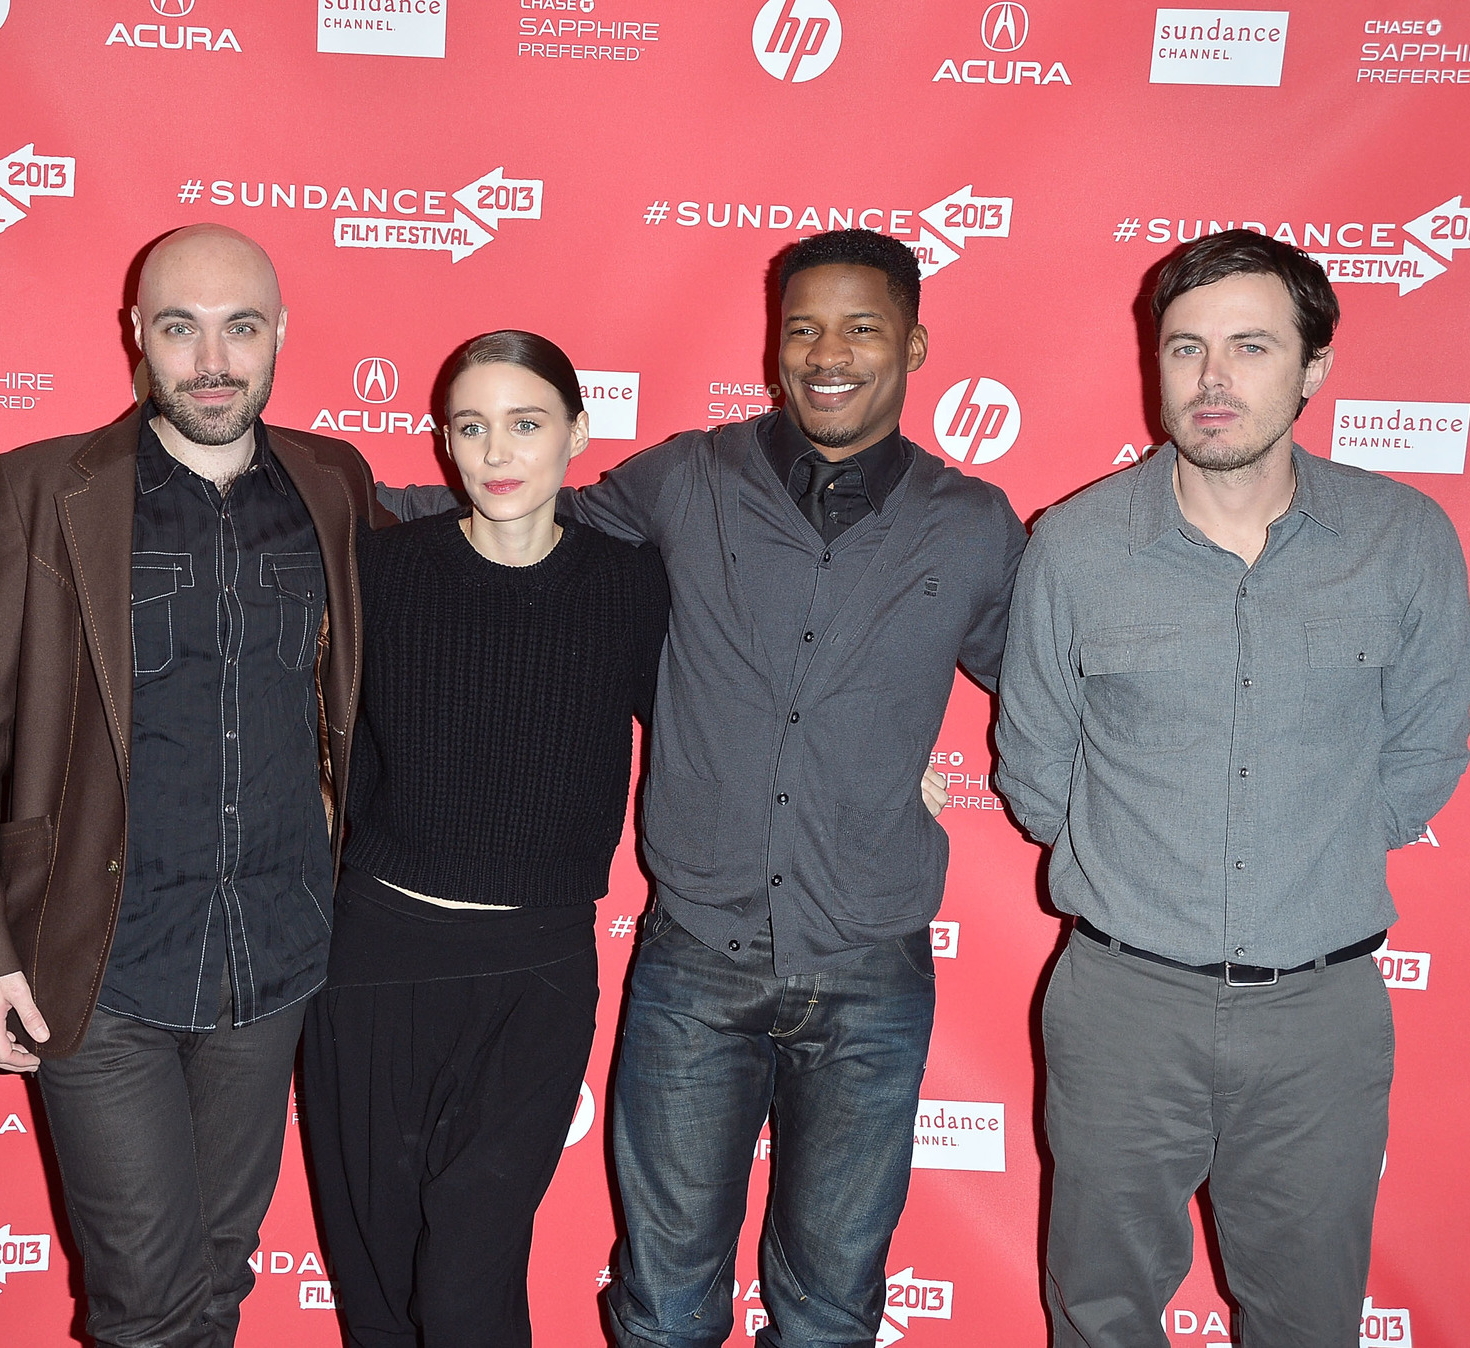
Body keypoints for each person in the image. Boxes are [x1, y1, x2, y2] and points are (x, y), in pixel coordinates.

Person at [381, 228, 1025, 1347]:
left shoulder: (972, 526)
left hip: (871, 969)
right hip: (692, 964)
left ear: (913, 343)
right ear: (773, 347)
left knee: (829, 1312)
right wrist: (307, 496)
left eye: (861, 326)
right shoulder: (685, 478)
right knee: (665, 1306)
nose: (828, 352)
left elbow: (1051, 697)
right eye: (802, 328)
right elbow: (518, 516)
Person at [994, 229, 1470, 1347]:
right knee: (1098, 1313)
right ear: (1152, 363)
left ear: (1311, 367)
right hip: (1120, 1005)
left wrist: (1305, 860)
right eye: (1184, 349)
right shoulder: (1069, 548)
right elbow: (1033, 764)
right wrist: (1138, 874)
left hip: (1321, 1016)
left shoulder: (1401, 541)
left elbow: (1420, 759)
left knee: (1307, 1319)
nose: (1211, 381)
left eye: (1249, 347)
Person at [0, 224, 392, 1348]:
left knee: (217, 1282)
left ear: (278, 336)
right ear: (137, 336)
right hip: (99, 965)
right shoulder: (40, 489)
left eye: (240, 328)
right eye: (180, 329)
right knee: (140, 1302)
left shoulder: (335, 486)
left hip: (276, 959)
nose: (211, 359)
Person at [305, 331, 669, 1347]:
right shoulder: (379, 570)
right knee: (376, 1287)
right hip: (374, 960)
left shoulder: (631, 584)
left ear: (576, 435)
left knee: (468, 1274)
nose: (497, 450)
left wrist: (867, 764)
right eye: (472, 426)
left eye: (525, 422)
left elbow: (719, 729)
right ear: (444, 445)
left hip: (536, 972)